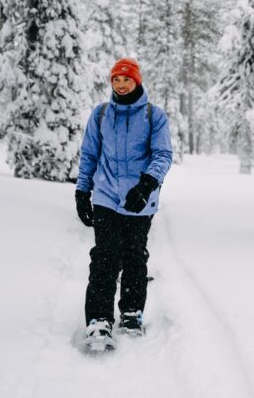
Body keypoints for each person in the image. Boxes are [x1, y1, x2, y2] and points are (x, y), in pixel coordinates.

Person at [74, 57, 173, 350]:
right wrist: (82, 191)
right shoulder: (102, 114)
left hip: (139, 201)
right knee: (104, 258)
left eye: (126, 79)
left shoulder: (154, 116)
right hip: (105, 196)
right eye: (116, 79)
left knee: (133, 256)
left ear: (137, 81)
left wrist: (145, 185)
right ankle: (99, 321)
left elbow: (163, 155)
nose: (120, 84)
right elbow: (89, 155)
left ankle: (131, 313)